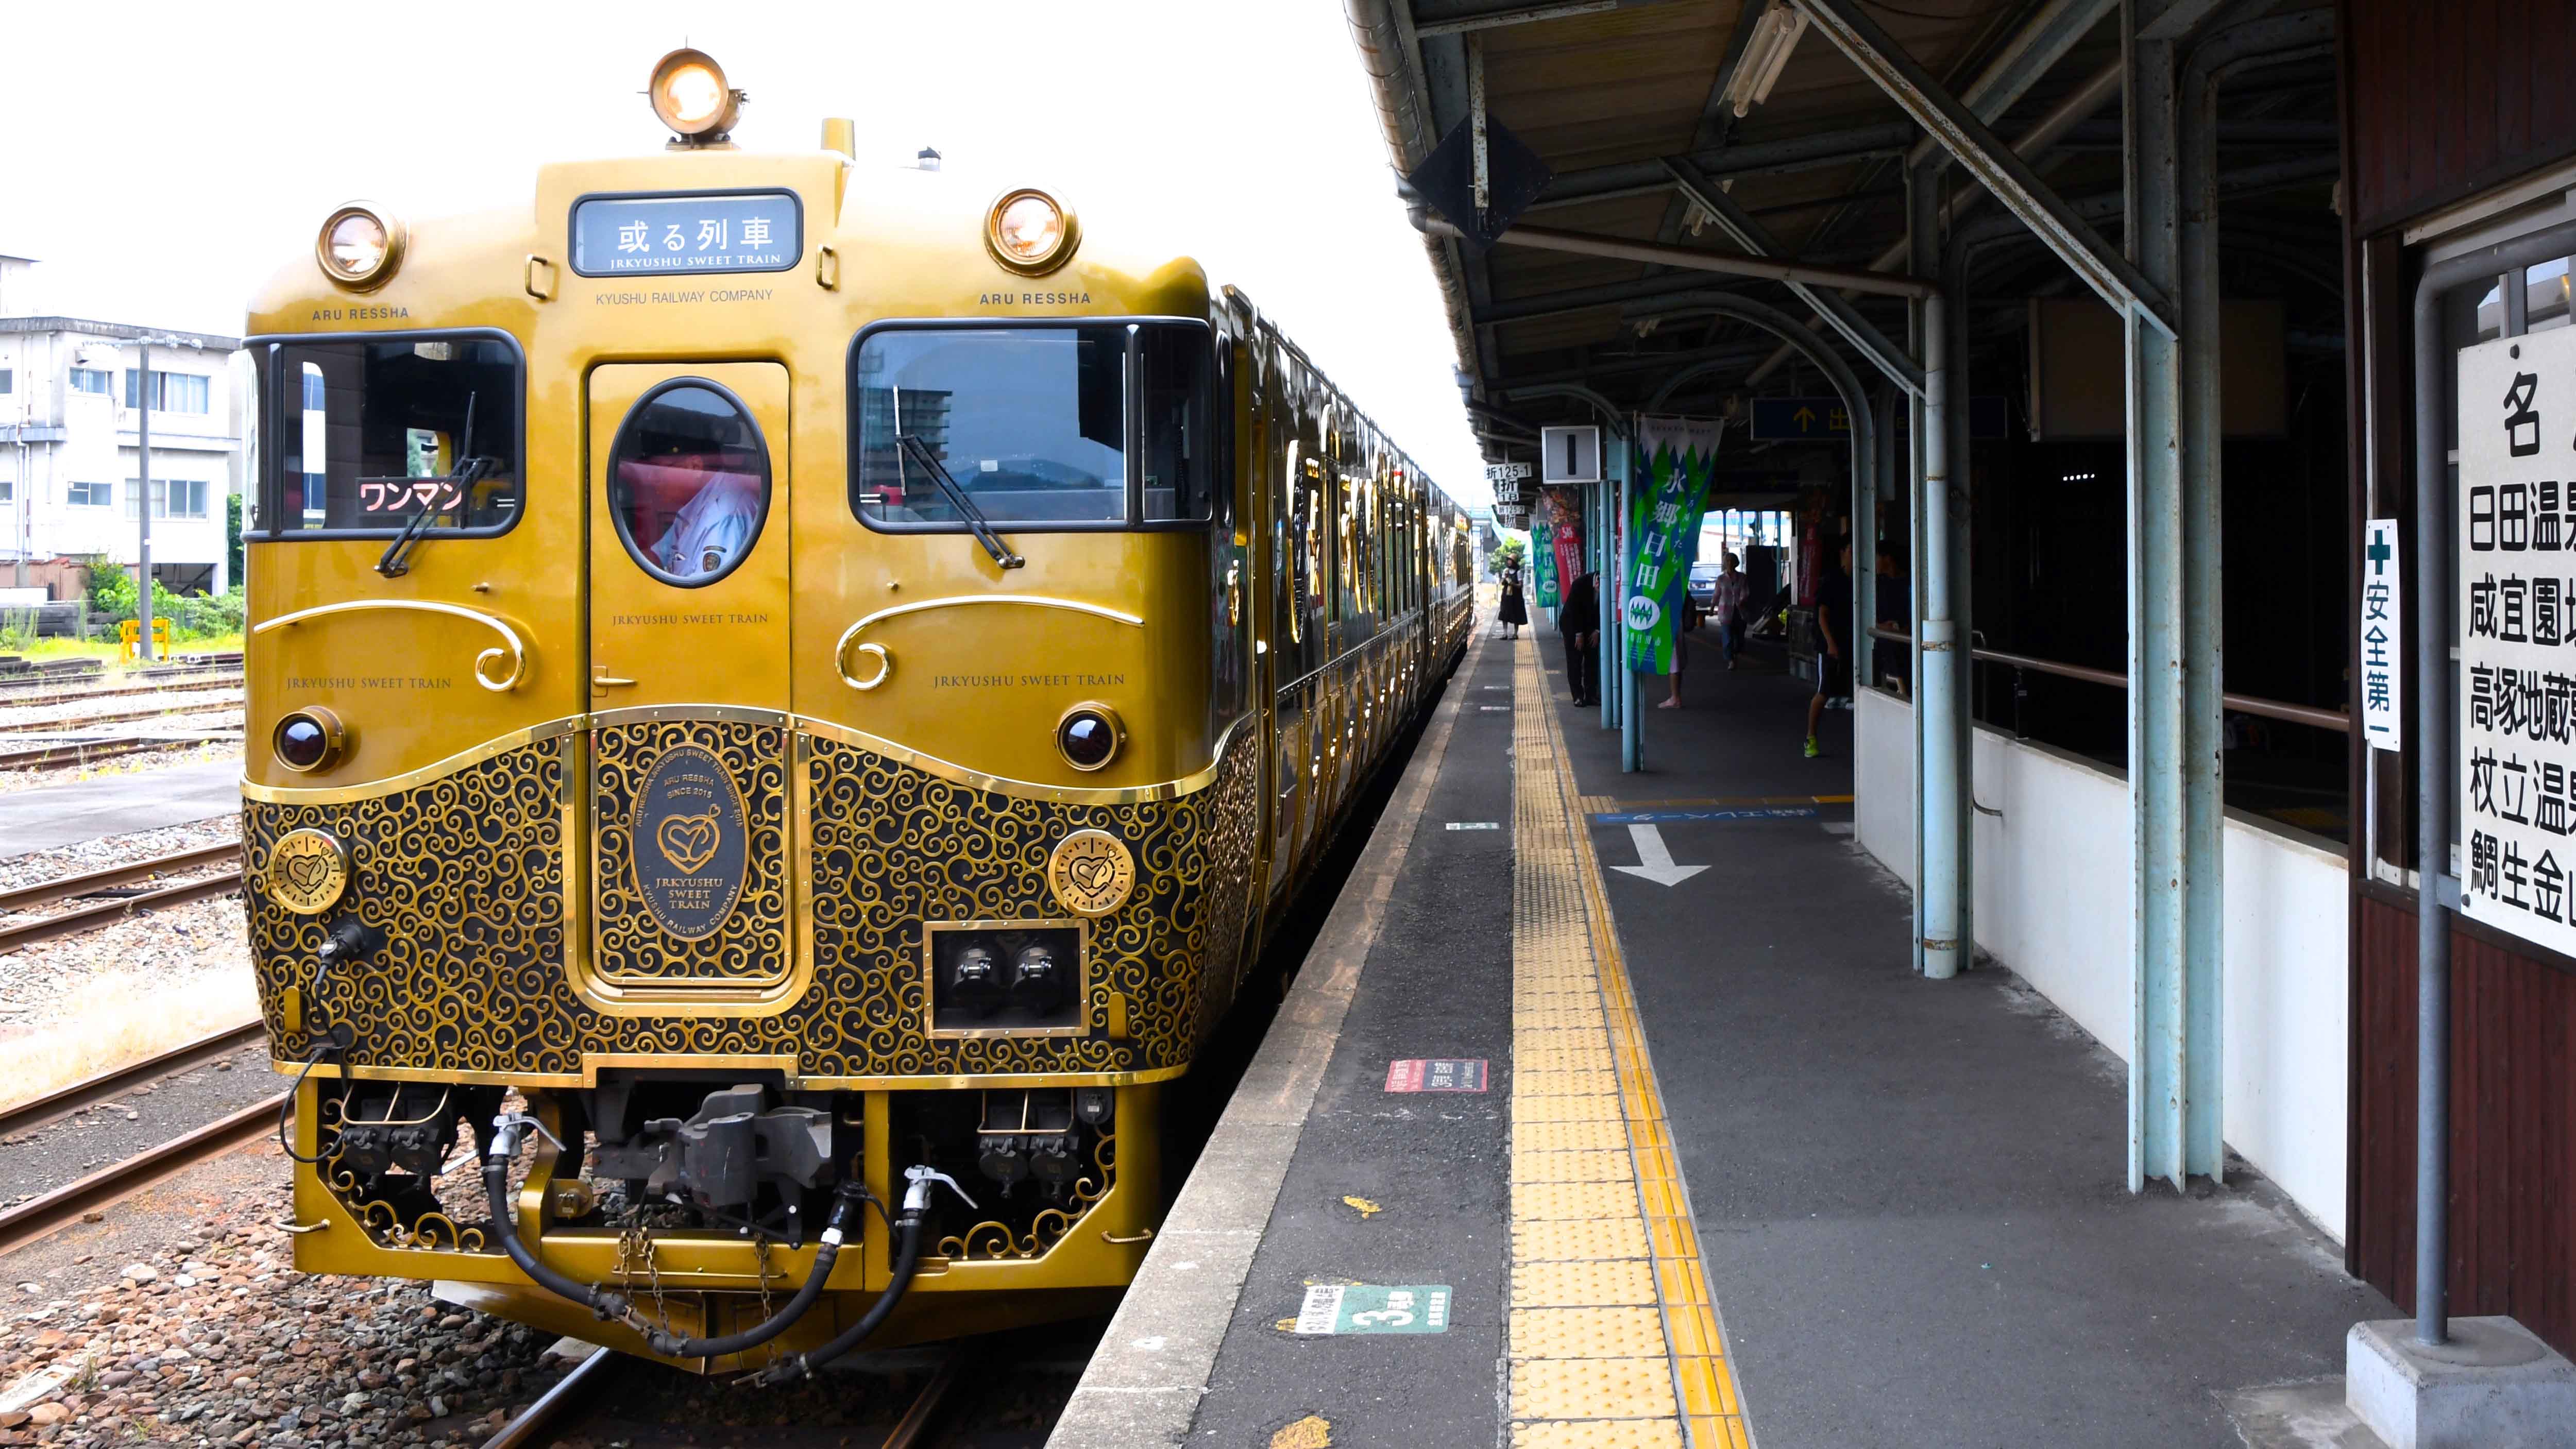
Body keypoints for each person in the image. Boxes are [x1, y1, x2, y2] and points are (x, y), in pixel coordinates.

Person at [1805, 542, 1853, 759]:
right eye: (1851, 550)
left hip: (1854, 644)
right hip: (1831, 646)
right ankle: (1811, 737)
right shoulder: (1833, 582)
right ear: (1843, 553)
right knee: (1823, 693)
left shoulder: (1865, 579)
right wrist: (1830, 643)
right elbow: (1822, 614)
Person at [1561, 569, 1599, 705]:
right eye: (1599, 586)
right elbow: (1574, 610)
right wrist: (1579, 634)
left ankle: (1591, 695)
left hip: (1591, 627)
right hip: (1572, 625)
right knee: (1575, 660)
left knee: (1592, 660)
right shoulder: (1580, 583)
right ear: (1596, 581)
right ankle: (1578, 696)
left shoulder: (1611, 585)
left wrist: (1598, 631)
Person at [1712, 551, 1749, 670]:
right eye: (1727, 561)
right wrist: (1712, 608)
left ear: (1736, 563)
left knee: (1739, 638)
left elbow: (1745, 591)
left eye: (1732, 561)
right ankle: (1730, 660)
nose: (1729, 563)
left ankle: (1736, 653)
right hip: (1725, 612)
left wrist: (1742, 600)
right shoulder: (1721, 579)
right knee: (1727, 638)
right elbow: (1716, 595)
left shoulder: (1742, 577)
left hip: (1740, 612)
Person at [1498, 565, 1529, 639]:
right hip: (1506, 596)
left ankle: (1515, 634)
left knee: (1516, 614)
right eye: (1508, 561)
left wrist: (1513, 584)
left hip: (1516, 596)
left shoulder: (1518, 572)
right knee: (1504, 613)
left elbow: (1520, 585)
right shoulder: (1506, 571)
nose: (1509, 562)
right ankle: (1505, 633)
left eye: (1511, 561)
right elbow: (1502, 583)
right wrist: (1505, 579)